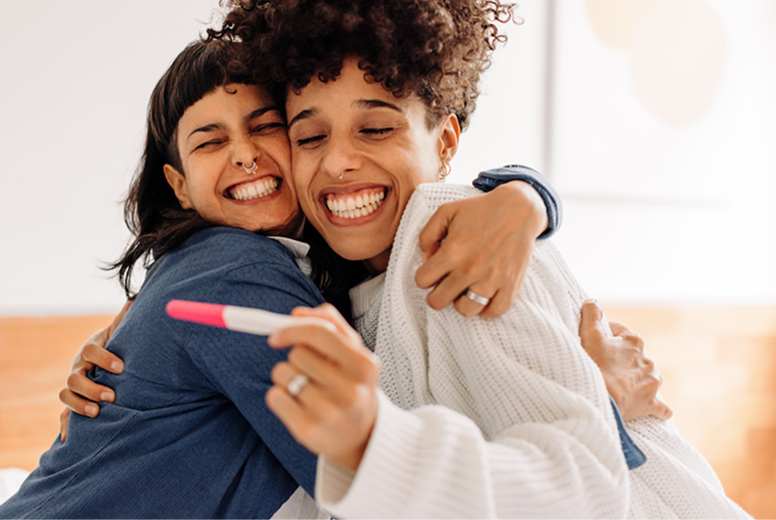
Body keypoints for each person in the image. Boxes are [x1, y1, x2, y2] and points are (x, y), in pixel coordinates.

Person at [205, 0, 751, 518]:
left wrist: (373, 444)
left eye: (376, 128)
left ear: (445, 143)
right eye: (310, 136)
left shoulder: (456, 241)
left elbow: (584, 489)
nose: (340, 160)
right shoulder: (339, 281)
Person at [0, 35, 567, 519]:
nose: (243, 154)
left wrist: (526, 194)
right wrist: (592, 408)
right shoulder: (234, 269)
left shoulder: (289, 268)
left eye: (265, 127)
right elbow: (374, 480)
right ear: (180, 185)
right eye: (211, 142)